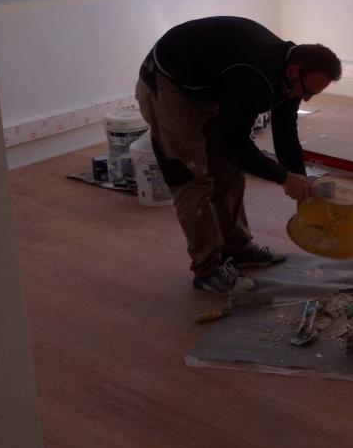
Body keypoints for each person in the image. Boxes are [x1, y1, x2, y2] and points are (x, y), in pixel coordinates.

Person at [135, 16, 341, 294]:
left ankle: (238, 250)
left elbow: (285, 131)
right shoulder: (254, 75)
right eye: (307, 91)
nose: (306, 99)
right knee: (191, 178)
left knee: (229, 169)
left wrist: (299, 180)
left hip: (212, 83)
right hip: (169, 86)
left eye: (313, 95)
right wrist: (283, 177)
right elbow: (233, 142)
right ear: (294, 70)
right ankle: (208, 270)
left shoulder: (289, 73)